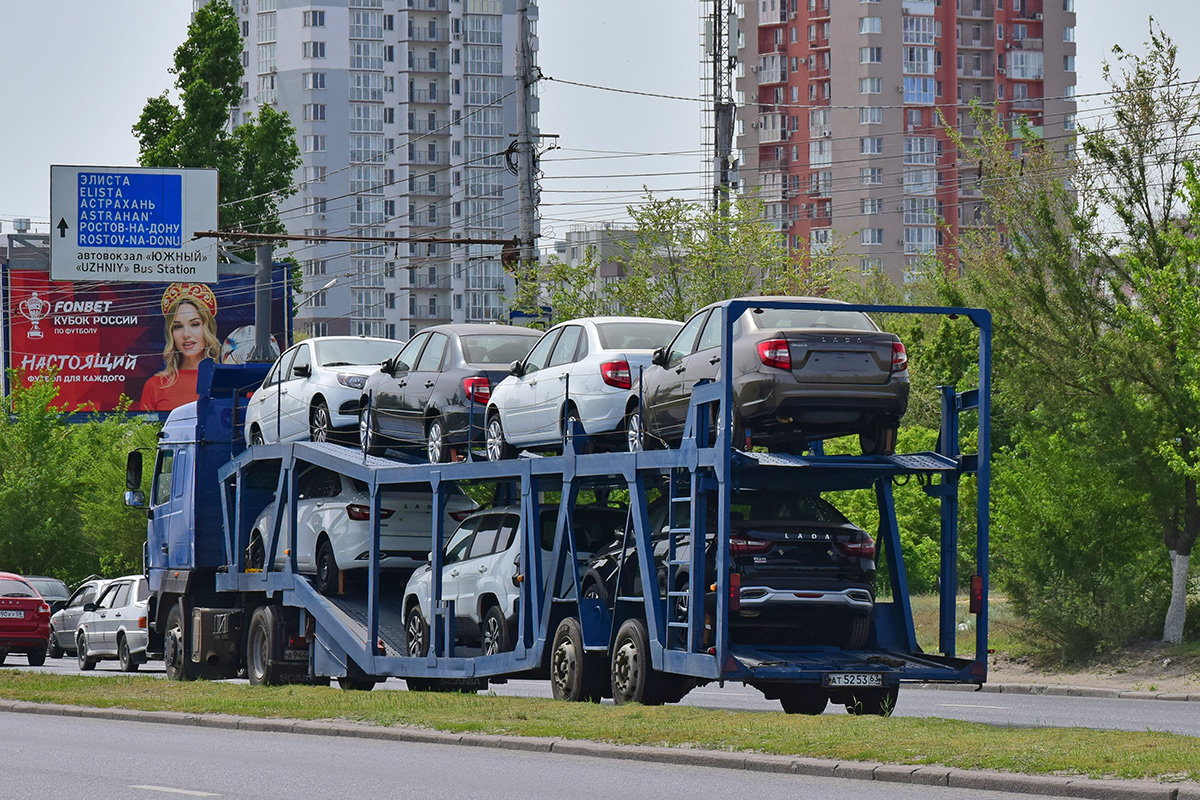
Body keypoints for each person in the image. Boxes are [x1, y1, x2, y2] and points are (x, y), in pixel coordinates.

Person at [138, 283, 220, 411]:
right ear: (171, 333)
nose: (186, 334)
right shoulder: (155, 385)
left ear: (207, 328)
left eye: (195, 324)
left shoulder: (224, 380)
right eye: (178, 326)